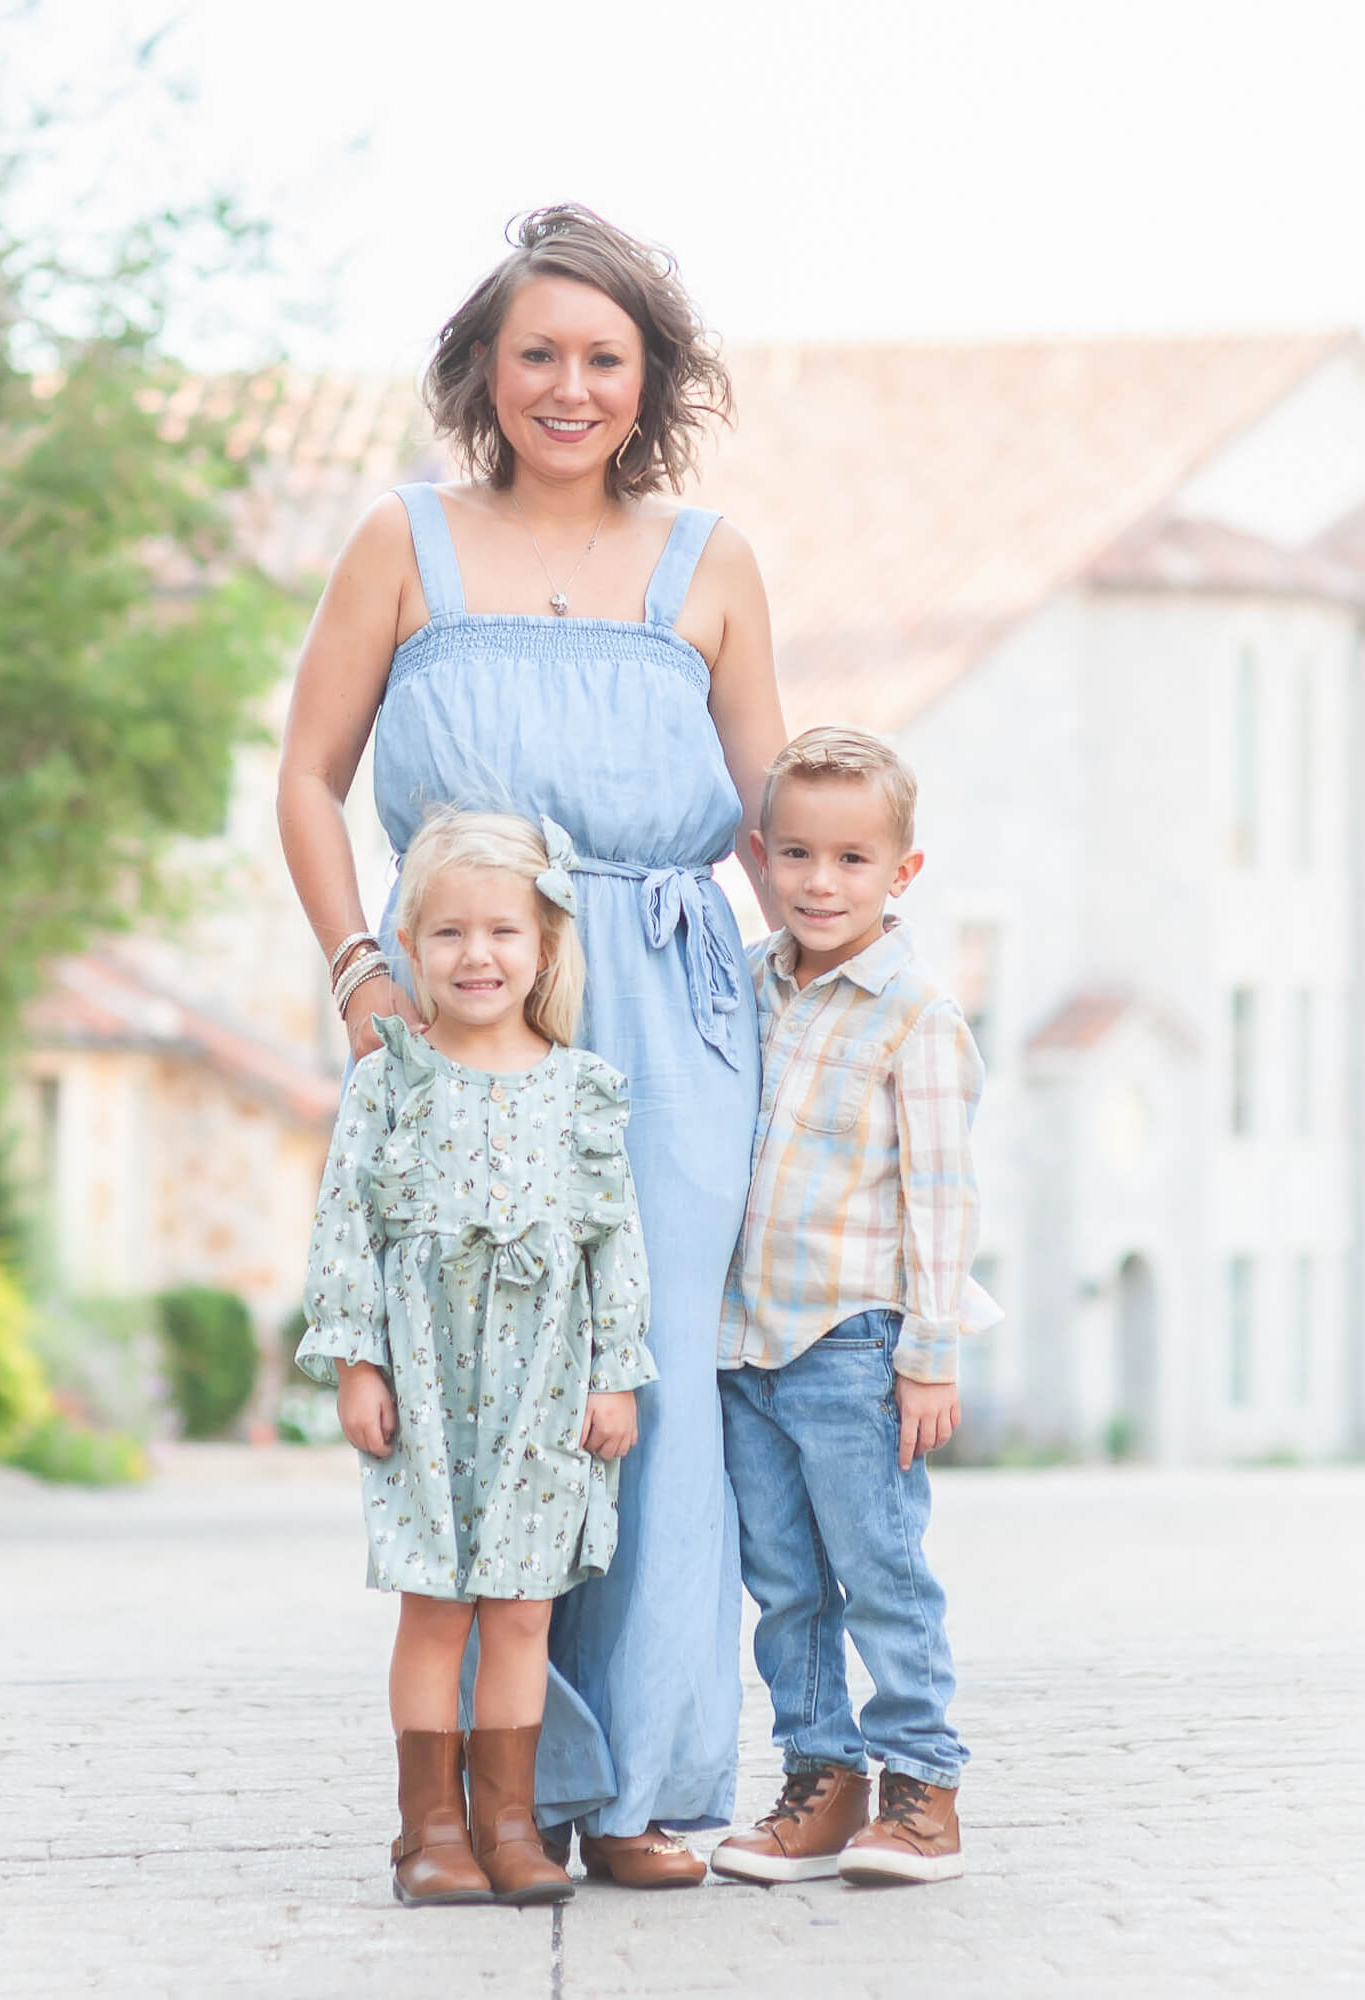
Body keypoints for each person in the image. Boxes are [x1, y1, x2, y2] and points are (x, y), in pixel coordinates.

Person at [277, 204, 785, 1885]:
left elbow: (777, 815)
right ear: (485, 373)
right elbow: (308, 777)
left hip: (672, 999)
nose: (571, 386)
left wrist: (870, 988)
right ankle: (500, 1795)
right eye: (540, 354)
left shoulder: (709, 561)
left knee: (644, 1395)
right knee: (476, 1378)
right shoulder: (400, 541)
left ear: (653, 381)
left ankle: (640, 1791)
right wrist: (360, 965)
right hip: (467, 1013)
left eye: (606, 358)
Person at [297, 809, 656, 1907]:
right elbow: (344, 1222)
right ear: (409, 947)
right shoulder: (389, 1077)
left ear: (544, 946)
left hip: (545, 1382)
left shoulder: (580, 1087)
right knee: (433, 1604)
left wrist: (614, 1370)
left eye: (502, 930)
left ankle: (511, 1824)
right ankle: (430, 1829)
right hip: (425, 1378)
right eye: (448, 932)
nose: (476, 954)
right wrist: (358, 1360)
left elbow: (613, 1237)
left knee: (521, 1608)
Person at [709, 726, 1000, 1889]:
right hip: (744, 1346)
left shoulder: (914, 1014)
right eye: (796, 855)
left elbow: (941, 1195)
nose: (820, 883)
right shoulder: (743, 984)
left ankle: (920, 1786)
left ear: (901, 872)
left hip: (854, 1347)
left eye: (850, 859)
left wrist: (928, 1355)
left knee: (880, 1568)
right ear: (758, 857)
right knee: (782, 1580)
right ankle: (819, 1779)